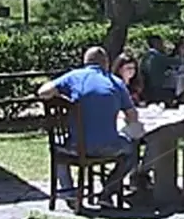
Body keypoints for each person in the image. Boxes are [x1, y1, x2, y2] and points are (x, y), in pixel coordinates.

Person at [38, 46, 139, 205]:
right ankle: (107, 192)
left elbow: (43, 92)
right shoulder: (116, 82)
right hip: (109, 146)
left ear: (85, 62)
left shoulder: (74, 77)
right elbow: (132, 117)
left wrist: (60, 97)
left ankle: (69, 192)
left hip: (75, 146)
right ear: (106, 63)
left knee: (56, 150)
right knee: (131, 151)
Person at [140, 35, 177, 104]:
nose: (162, 45)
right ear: (155, 43)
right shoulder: (158, 56)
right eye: (161, 43)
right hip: (159, 88)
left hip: (147, 88)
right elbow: (175, 62)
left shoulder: (145, 56)